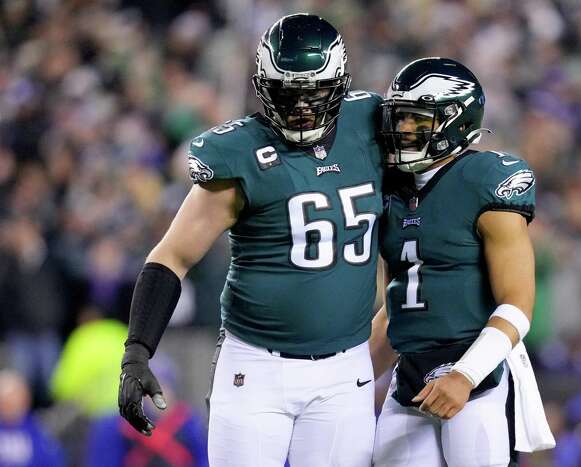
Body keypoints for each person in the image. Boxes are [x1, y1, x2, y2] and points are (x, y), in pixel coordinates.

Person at [117, 13, 383, 467]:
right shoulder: (240, 155)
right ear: (263, 88)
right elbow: (172, 256)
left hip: (346, 370)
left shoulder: (372, 126)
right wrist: (137, 351)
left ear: (340, 85)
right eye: (287, 94)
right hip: (257, 369)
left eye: (313, 94)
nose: (300, 109)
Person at [370, 57, 541, 466]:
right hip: (410, 374)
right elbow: (396, 306)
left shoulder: (485, 180)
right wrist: (343, 383)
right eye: (400, 117)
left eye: (416, 119)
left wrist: (466, 374)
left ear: (455, 121)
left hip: (478, 374)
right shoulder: (391, 191)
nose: (404, 129)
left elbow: (518, 304)